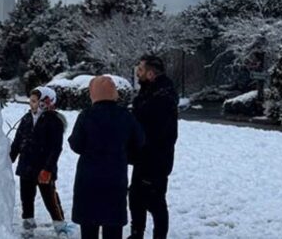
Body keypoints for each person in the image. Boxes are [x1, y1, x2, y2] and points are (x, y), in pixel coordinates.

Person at [69, 76, 145, 239]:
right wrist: (124, 155)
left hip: (88, 178)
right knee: (113, 225)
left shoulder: (86, 115)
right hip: (115, 177)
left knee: (89, 227)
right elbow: (139, 142)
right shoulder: (125, 116)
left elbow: (76, 144)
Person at [10, 86, 74, 238]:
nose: (30, 104)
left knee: (50, 198)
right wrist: (9, 159)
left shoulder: (54, 121)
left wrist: (48, 169)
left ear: (45, 102)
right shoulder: (26, 119)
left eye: (34, 101)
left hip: (44, 168)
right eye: (30, 101)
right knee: (26, 198)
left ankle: (60, 224)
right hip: (26, 166)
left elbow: (55, 148)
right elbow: (18, 141)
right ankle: (28, 225)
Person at [128, 55, 179, 239]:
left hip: (156, 158)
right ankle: (137, 233)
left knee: (155, 200)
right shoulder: (148, 92)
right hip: (143, 156)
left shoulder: (162, 97)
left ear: (150, 73)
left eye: (140, 70)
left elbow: (156, 129)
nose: (137, 74)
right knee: (135, 197)